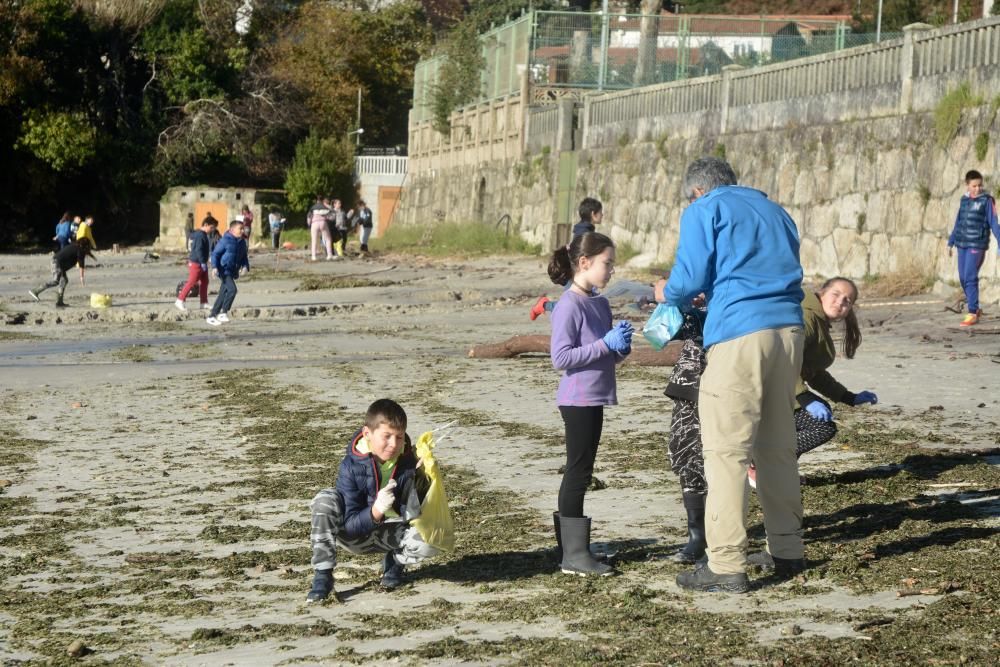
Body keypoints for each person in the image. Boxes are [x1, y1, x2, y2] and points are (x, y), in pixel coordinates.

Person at [654, 156, 805, 593]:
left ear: (698, 190)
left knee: (726, 452)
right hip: (788, 331)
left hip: (740, 333)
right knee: (778, 448)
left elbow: (687, 280)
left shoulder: (705, 209)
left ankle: (724, 564)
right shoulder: (777, 210)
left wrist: (671, 294)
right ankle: (787, 549)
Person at [549, 231, 633, 577]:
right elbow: (561, 357)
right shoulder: (569, 304)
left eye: (612, 264)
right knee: (578, 472)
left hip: (595, 397)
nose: (611, 270)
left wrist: (620, 348)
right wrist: (604, 345)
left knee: (580, 471)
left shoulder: (599, 302)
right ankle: (574, 555)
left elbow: (604, 356)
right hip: (576, 399)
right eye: (606, 263)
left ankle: (570, 550)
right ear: (584, 263)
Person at [306, 398, 440, 603]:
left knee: (433, 537)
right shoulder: (350, 467)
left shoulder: (408, 461)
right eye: (386, 436)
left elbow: (420, 513)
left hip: (392, 534)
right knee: (325, 499)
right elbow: (350, 526)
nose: (394, 444)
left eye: (399, 437)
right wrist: (376, 510)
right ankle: (323, 575)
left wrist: (424, 478)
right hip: (353, 537)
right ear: (367, 434)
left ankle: (394, 562)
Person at [747, 277, 878, 484]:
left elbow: (813, 373)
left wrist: (848, 397)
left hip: (777, 388)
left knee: (810, 422)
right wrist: (804, 397)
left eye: (847, 300)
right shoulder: (806, 317)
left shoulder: (816, 319)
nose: (840, 302)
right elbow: (782, 360)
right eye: (836, 294)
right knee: (821, 427)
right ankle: (760, 462)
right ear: (822, 293)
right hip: (762, 389)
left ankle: (777, 469)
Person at [530, 197, 604, 320]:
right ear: (593, 214)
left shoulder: (584, 230)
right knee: (570, 305)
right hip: (575, 272)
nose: (603, 215)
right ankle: (543, 305)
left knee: (577, 304)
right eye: (601, 212)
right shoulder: (585, 233)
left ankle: (544, 305)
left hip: (577, 271)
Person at [947, 169, 1000, 327]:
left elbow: (994, 224)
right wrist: (951, 242)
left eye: (980, 185)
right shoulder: (964, 200)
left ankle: (972, 312)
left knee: (970, 277)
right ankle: (975, 309)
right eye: (974, 186)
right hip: (962, 244)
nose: (978, 189)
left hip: (977, 244)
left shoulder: (987, 200)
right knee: (963, 278)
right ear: (967, 185)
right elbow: (958, 223)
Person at [29, 239, 98, 308]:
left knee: (64, 280)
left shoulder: (75, 246)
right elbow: (81, 265)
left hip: (58, 263)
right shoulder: (80, 250)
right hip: (57, 263)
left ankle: (60, 302)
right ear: (85, 246)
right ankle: (35, 291)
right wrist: (82, 277)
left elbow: (84, 258)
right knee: (56, 281)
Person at [207, 220, 249, 326]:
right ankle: (223, 312)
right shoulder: (225, 240)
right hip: (223, 270)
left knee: (222, 294)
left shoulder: (242, 242)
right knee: (232, 290)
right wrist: (215, 267)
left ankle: (212, 316)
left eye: (243, 228)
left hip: (233, 270)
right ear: (232, 230)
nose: (242, 230)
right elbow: (215, 254)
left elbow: (244, 257)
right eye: (240, 228)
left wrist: (245, 266)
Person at [175, 215, 218, 311]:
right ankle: (180, 300)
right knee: (192, 282)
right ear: (206, 225)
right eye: (211, 227)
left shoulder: (203, 235)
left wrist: (206, 261)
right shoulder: (200, 235)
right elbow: (198, 250)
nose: (212, 230)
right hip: (196, 263)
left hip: (202, 263)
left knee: (205, 282)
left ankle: (204, 302)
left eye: (213, 228)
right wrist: (202, 262)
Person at [307, 196, 334, 261]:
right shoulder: (325, 207)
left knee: (314, 240)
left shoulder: (312, 207)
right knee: (328, 239)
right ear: (322, 201)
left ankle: (314, 256)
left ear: (316, 201)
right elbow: (331, 216)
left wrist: (309, 224)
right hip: (323, 223)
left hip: (314, 223)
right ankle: (329, 255)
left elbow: (309, 217)